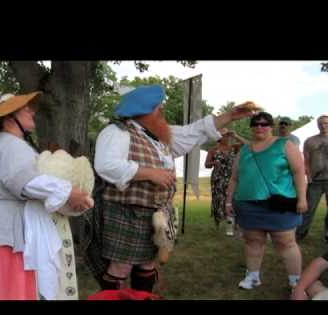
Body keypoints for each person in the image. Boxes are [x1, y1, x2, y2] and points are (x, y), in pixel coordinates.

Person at [91, 84, 256, 293]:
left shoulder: (160, 136)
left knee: (148, 263)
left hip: (157, 213)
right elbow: (106, 165)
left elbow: (194, 131)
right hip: (127, 211)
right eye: (158, 107)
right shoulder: (117, 132)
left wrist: (231, 115)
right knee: (121, 266)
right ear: (143, 110)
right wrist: (150, 173)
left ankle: (143, 297)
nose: (162, 111)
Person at [0, 92, 93, 300]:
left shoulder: (5, 144)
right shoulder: (10, 144)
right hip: (13, 233)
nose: (31, 111)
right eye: (24, 108)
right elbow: (25, 181)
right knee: (16, 292)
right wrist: (68, 192)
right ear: (9, 117)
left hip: (9, 228)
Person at [226, 112, 308, 292]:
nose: (259, 127)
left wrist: (302, 198)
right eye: (255, 124)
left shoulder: (284, 144)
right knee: (252, 240)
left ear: (271, 126)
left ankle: (296, 281)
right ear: (251, 127)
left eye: (264, 124)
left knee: (286, 242)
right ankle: (253, 277)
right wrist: (228, 202)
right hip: (247, 203)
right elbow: (234, 178)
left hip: (279, 204)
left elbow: (298, 172)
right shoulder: (245, 150)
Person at [205, 129, 248, 235]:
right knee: (218, 200)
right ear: (219, 137)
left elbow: (248, 145)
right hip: (218, 178)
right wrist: (214, 162)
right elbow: (206, 165)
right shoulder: (213, 150)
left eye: (228, 136)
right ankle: (218, 224)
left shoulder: (234, 147)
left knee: (233, 199)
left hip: (232, 178)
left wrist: (235, 135)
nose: (227, 138)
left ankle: (234, 224)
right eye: (224, 136)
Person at [295, 115, 328, 243]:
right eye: (321, 123)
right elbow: (306, 161)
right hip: (315, 180)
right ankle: (300, 233)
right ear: (317, 125)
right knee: (308, 208)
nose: (323, 125)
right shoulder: (310, 141)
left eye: (326, 123)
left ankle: (327, 233)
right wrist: (308, 176)